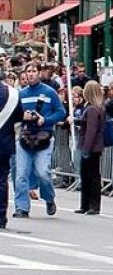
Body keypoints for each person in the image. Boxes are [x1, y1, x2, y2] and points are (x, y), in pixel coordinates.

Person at [13, 62, 66, 218]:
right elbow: (14, 115)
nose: (30, 74)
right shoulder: (21, 94)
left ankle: (49, 198)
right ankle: (21, 207)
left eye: (33, 71)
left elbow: (61, 112)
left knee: (43, 172)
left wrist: (46, 120)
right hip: (25, 136)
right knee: (21, 174)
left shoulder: (49, 92)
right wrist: (22, 116)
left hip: (44, 137)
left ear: (39, 73)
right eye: (28, 71)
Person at [75, 80, 106, 215]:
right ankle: (86, 204)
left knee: (91, 176)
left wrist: (86, 148)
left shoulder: (92, 109)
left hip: (91, 147)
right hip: (94, 146)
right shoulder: (97, 108)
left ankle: (92, 205)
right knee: (87, 176)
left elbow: (91, 131)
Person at [0, 71, 22, 228]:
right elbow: (19, 116)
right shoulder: (12, 94)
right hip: (4, 143)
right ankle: (1, 216)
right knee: (2, 181)